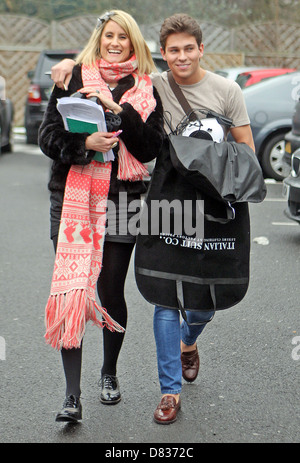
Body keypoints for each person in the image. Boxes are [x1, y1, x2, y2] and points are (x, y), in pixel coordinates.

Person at [50, 13, 255, 425]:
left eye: (188, 48)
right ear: (163, 53)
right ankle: (165, 391)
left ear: (201, 48)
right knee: (162, 296)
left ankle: (186, 343)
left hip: (192, 205)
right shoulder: (128, 82)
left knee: (198, 302)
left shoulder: (203, 89)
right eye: (173, 50)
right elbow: (55, 128)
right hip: (140, 202)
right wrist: (71, 73)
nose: (181, 56)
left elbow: (241, 153)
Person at [39, 9, 164, 423]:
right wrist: (84, 142)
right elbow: (47, 137)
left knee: (111, 292)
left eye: (123, 37)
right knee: (72, 289)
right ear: (100, 38)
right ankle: (71, 396)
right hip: (71, 196)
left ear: (133, 43)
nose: (115, 43)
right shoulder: (72, 78)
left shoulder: (144, 87)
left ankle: (108, 371)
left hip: (123, 201)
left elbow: (149, 149)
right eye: (109, 35)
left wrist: (119, 108)